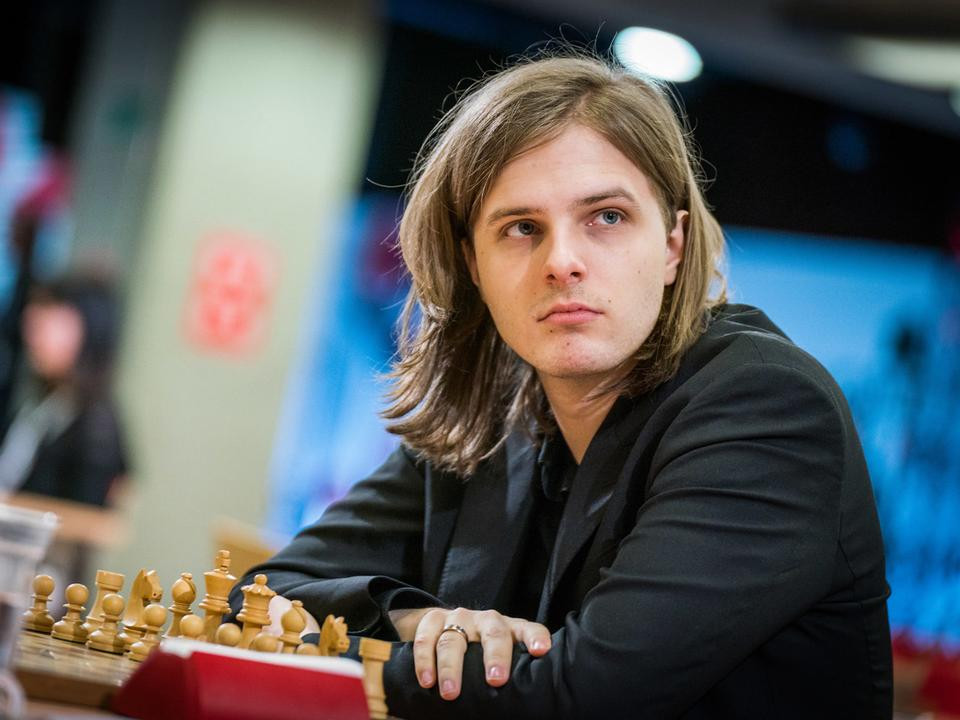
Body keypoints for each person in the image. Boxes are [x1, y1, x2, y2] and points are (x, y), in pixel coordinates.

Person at [231, 52, 892, 719]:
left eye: (607, 217)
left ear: (673, 245)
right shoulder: (496, 413)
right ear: (473, 263)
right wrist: (416, 622)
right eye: (522, 228)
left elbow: (584, 699)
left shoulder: (767, 407)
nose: (563, 262)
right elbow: (262, 594)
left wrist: (365, 660)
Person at [0, 275, 128, 506]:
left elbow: (88, 515)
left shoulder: (97, 429)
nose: (33, 331)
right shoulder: (42, 404)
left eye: (51, 317)